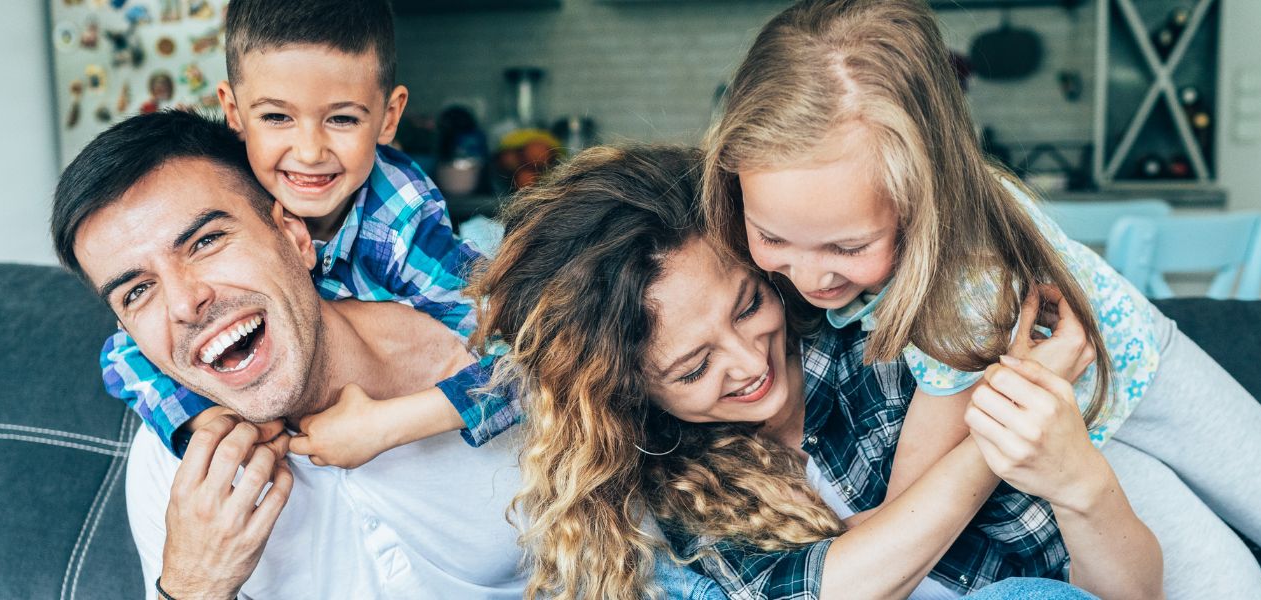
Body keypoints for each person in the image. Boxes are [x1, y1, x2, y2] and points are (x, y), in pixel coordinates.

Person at [700, 1, 1261, 598]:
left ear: (925, 200)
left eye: (848, 249)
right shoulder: (782, 228)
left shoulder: (966, 287)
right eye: (773, 239)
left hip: (1141, 388)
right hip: (1075, 446)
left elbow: (905, 519)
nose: (809, 278)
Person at [472, 144, 1157, 600]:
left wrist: (1059, 460)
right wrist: (1000, 426)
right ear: (631, 394)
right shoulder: (681, 490)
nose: (749, 363)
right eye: (693, 368)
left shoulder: (890, 348)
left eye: (747, 305)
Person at [97, 0, 517, 466]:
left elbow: (528, 365)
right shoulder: (224, 193)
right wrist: (209, 421)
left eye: (342, 119)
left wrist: (384, 426)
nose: (311, 152)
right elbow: (123, 357)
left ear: (389, 117)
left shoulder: (400, 223)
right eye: (277, 118)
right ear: (233, 112)